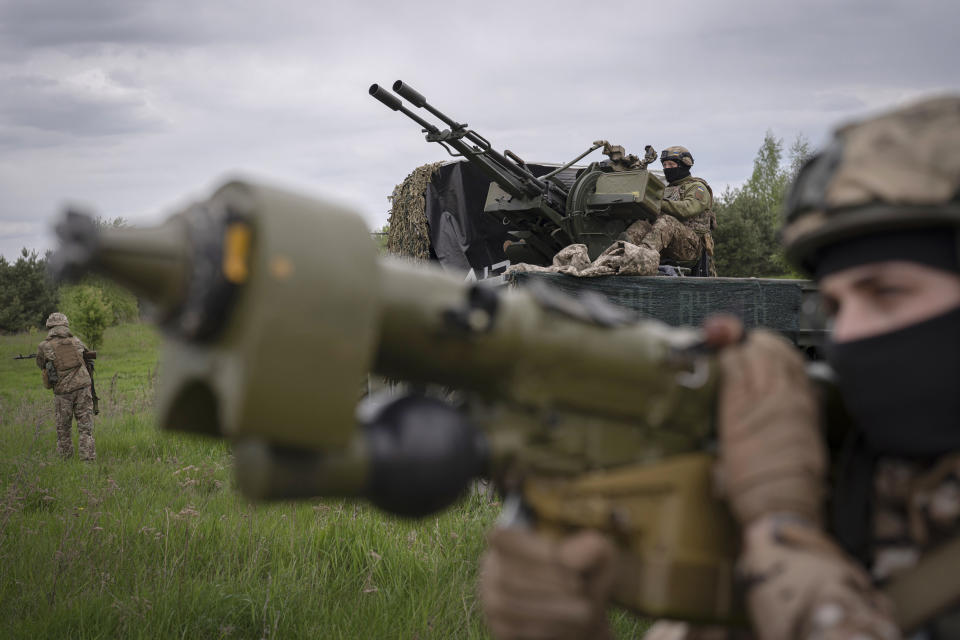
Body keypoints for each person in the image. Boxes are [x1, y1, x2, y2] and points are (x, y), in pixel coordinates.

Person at [479, 95, 960, 639]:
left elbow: (678, 213)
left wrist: (778, 525)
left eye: (888, 292)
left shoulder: (697, 191)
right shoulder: (860, 487)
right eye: (837, 305)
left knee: (653, 227)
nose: (847, 334)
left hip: (687, 246)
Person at [620, 145, 718, 276]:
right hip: (666, 244)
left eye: (671, 165)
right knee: (641, 225)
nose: (667, 169)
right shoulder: (665, 190)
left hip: (691, 248)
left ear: (684, 165)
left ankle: (640, 259)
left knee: (667, 221)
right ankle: (618, 256)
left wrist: (657, 202)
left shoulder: (697, 188)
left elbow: (687, 209)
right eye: (664, 165)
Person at [36, 312, 96, 461]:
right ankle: (88, 461)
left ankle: (66, 461)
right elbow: (87, 355)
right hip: (83, 388)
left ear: (49, 327)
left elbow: (40, 364)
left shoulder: (44, 346)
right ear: (65, 326)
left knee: (63, 429)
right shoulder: (76, 341)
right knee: (85, 428)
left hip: (63, 392)